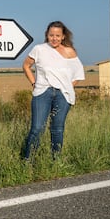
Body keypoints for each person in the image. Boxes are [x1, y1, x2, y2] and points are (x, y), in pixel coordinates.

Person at [22, 21, 85, 160]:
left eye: (57, 35)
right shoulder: (39, 49)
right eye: (51, 35)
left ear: (63, 37)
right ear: (47, 35)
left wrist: (67, 87)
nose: (54, 38)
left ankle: (55, 161)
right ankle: (28, 162)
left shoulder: (70, 52)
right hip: (42, 93)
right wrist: (34, 83)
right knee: (37, 128)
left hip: (62, 95)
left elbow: (79, 74)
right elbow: (26, 66)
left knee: (57, 129)